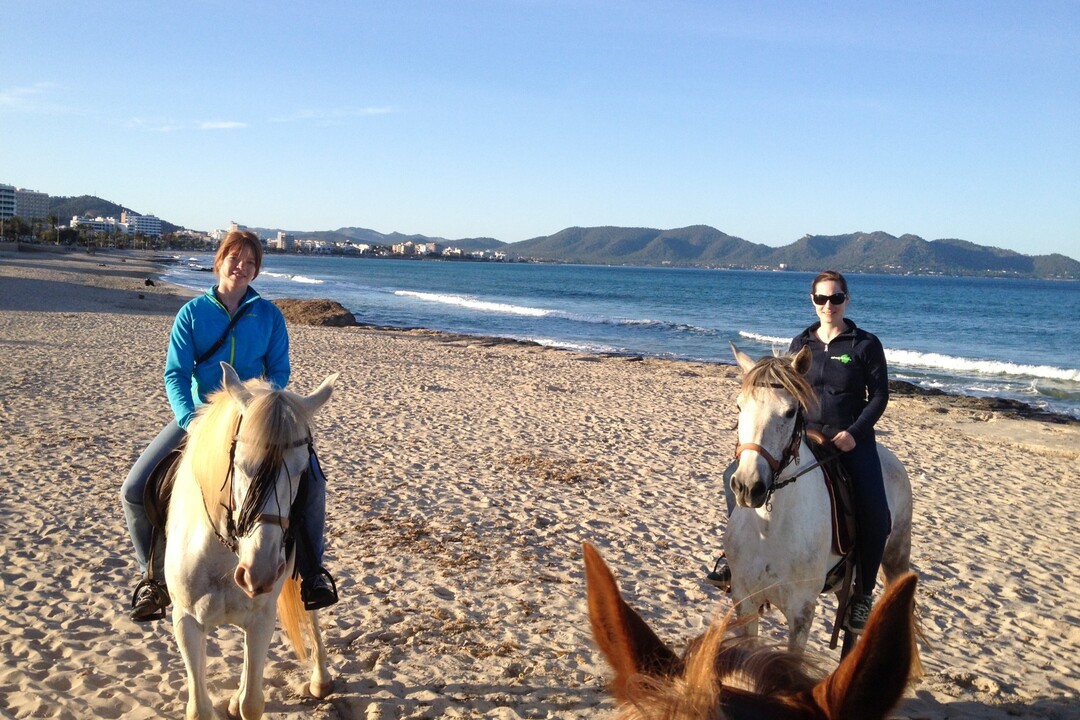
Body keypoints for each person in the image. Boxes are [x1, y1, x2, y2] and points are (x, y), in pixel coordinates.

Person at [121, 230, 338, 622]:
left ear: (257, 270)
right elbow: (175, 374)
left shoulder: (269, 315)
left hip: (254, 419)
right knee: (135, 489)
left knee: (313, 482)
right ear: (219, 261)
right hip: (201, 417)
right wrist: (190, 421)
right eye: (235, 259)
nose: (242, 267)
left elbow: (280, 371)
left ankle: (312, 574)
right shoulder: (192, 313)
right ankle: (152, 578)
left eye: (250, 262)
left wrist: (258, 409)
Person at [707, 270, 890, 634]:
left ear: (846, 300)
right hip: (803, 434)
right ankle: (734, 560)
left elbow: (880, 396)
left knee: (876, 511)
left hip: (849, 439)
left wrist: (854, 434)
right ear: (813, 301)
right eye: (822, 299)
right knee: (733, 475)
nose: (828, 306)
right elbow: (783, 395)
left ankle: (863, 594)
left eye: (836, 298)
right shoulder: (800, 343)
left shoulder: (864, 344)